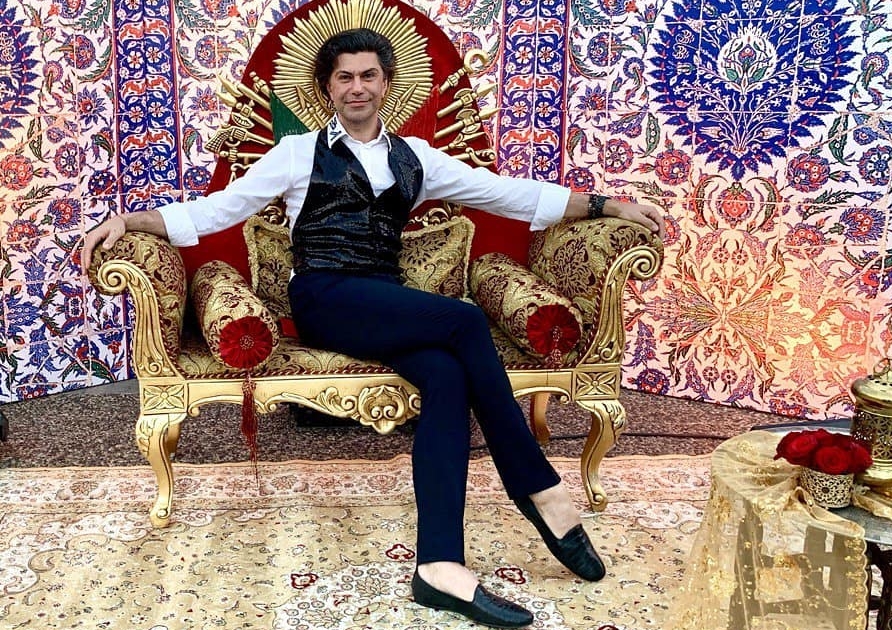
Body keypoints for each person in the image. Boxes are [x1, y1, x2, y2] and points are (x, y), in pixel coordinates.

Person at [83, 28, 665, 629]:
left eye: (368, 75)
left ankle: (439, 566)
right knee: (466, 321)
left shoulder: (417, 158)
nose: (356, 87)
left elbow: (509, 195)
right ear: (326, 88)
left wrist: (609, 205)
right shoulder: (296, 153)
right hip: (324, 298)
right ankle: (541, 489)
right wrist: (128, 220)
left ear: (387, 84)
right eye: (344, 77)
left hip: (384, 301)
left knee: (446, 375)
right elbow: (215, 210)